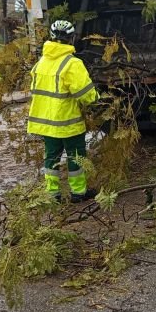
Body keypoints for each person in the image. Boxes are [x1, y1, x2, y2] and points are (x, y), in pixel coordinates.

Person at [28, 20, 99, 203]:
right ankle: (78, 192)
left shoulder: (41, 62)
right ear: (72, 38)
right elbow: (85, 94)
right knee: (76, 156)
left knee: (51, 157)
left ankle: (52, 193)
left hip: (47, 123)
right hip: (68, 122)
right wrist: (97, 100)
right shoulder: (72, 63)